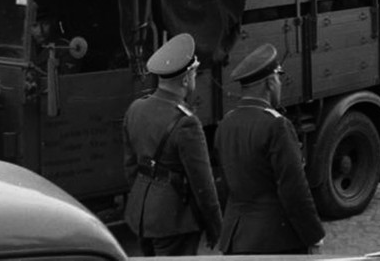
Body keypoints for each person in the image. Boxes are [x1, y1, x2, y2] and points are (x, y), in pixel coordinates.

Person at [215, 44, 325, 255]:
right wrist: (314, 235)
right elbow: (294, 189)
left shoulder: (226, 123)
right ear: (271, 82)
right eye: (278, 79)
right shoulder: (276, 125)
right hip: (274, 240)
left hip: (236, 237)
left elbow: (226, 183)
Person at [123, 33, 222, 257]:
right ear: (186, 79)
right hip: (174, 219)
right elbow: (203, 184)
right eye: (194, 73)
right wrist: (216, 227)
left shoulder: (136, 108)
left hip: (141, 214)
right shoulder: (187, 123)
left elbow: (130, 168)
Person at [30, 7, 81, 74]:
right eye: (35, 25)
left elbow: (67, 81)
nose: (40, 31)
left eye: (45, 24)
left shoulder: (66, 49)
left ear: (53, 24)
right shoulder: (24, 47)